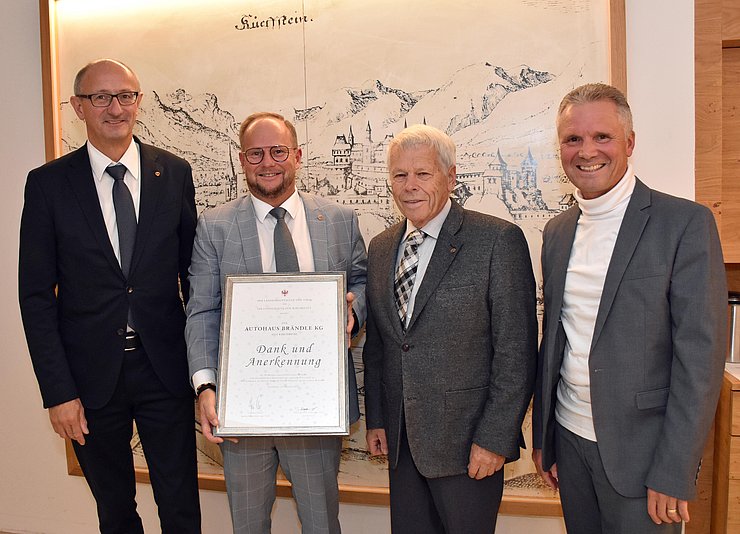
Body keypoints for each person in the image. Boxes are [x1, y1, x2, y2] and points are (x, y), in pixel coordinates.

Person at [533, 83, 727, 533]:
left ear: (630, 143)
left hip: (643, 459)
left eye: (602, 137)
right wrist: (546, 438)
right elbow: (556, 339)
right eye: (573, 139)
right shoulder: (557, 232)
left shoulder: (684, 224)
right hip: (570, 442)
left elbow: (699, 360)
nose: (587, 151)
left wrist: (674, 470)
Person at [18, 59, 200, 533]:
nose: (115, 107)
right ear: (79, 106)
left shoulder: (174, 173)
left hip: (165, 369)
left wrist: (205, 375)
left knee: (181, 506)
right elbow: (35, 296)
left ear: (139, 102)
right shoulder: (48, 185)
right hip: (90, 378)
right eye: (101, 97)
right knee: (114, 510)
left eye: (126, 95)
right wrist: (58, 393)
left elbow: (194, 279)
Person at [186, 111, 367, 534]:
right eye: (255, 153)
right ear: (242, 160)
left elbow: (361, 280)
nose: (267, 162)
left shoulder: (339, 220)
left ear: (298, 156)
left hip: (315, 407)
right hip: (240, 408)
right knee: (248, 525)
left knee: (322, 522)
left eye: (278, 151)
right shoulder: (214, 227)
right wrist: (205, 385)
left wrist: (353, 313)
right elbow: (202, 310)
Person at [362, 124, 537, 534]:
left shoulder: (497, 240)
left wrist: (495, 438)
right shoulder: (383, 246)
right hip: (403, 445)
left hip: (469, 446)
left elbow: (516, 352)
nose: (409, 186)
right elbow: (382, 346)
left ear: (450, 177)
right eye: (400, 175)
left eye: (423, 174)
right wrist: (378, 420)